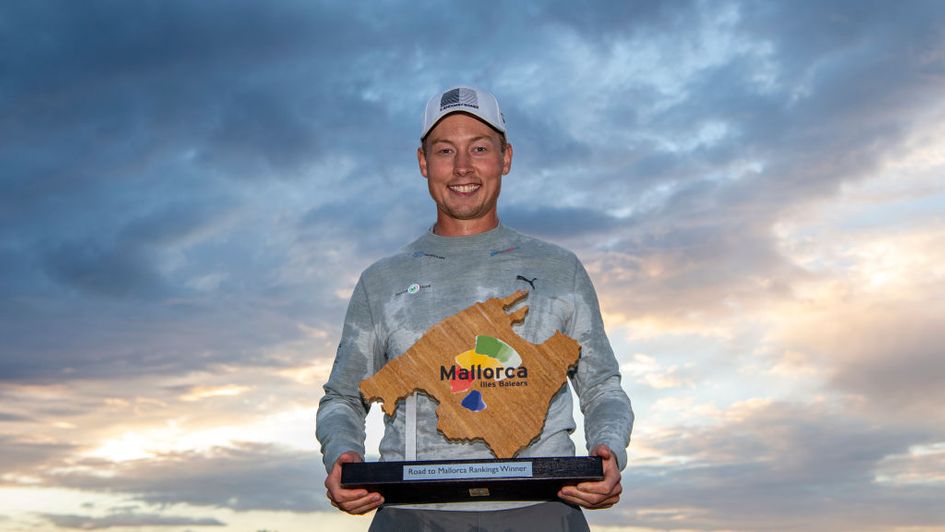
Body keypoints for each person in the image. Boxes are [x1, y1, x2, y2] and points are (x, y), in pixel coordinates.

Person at [316, 86, 634, 531]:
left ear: (505, 158)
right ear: (424, 163)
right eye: (445, 151)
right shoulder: (381, 280)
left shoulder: (561, 269)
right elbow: (343, 397)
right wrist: (343, 455)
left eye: (479, 149)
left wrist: (608, 449)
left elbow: (602, 387)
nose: (462, 167)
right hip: (412, 514)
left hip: (542, 509)